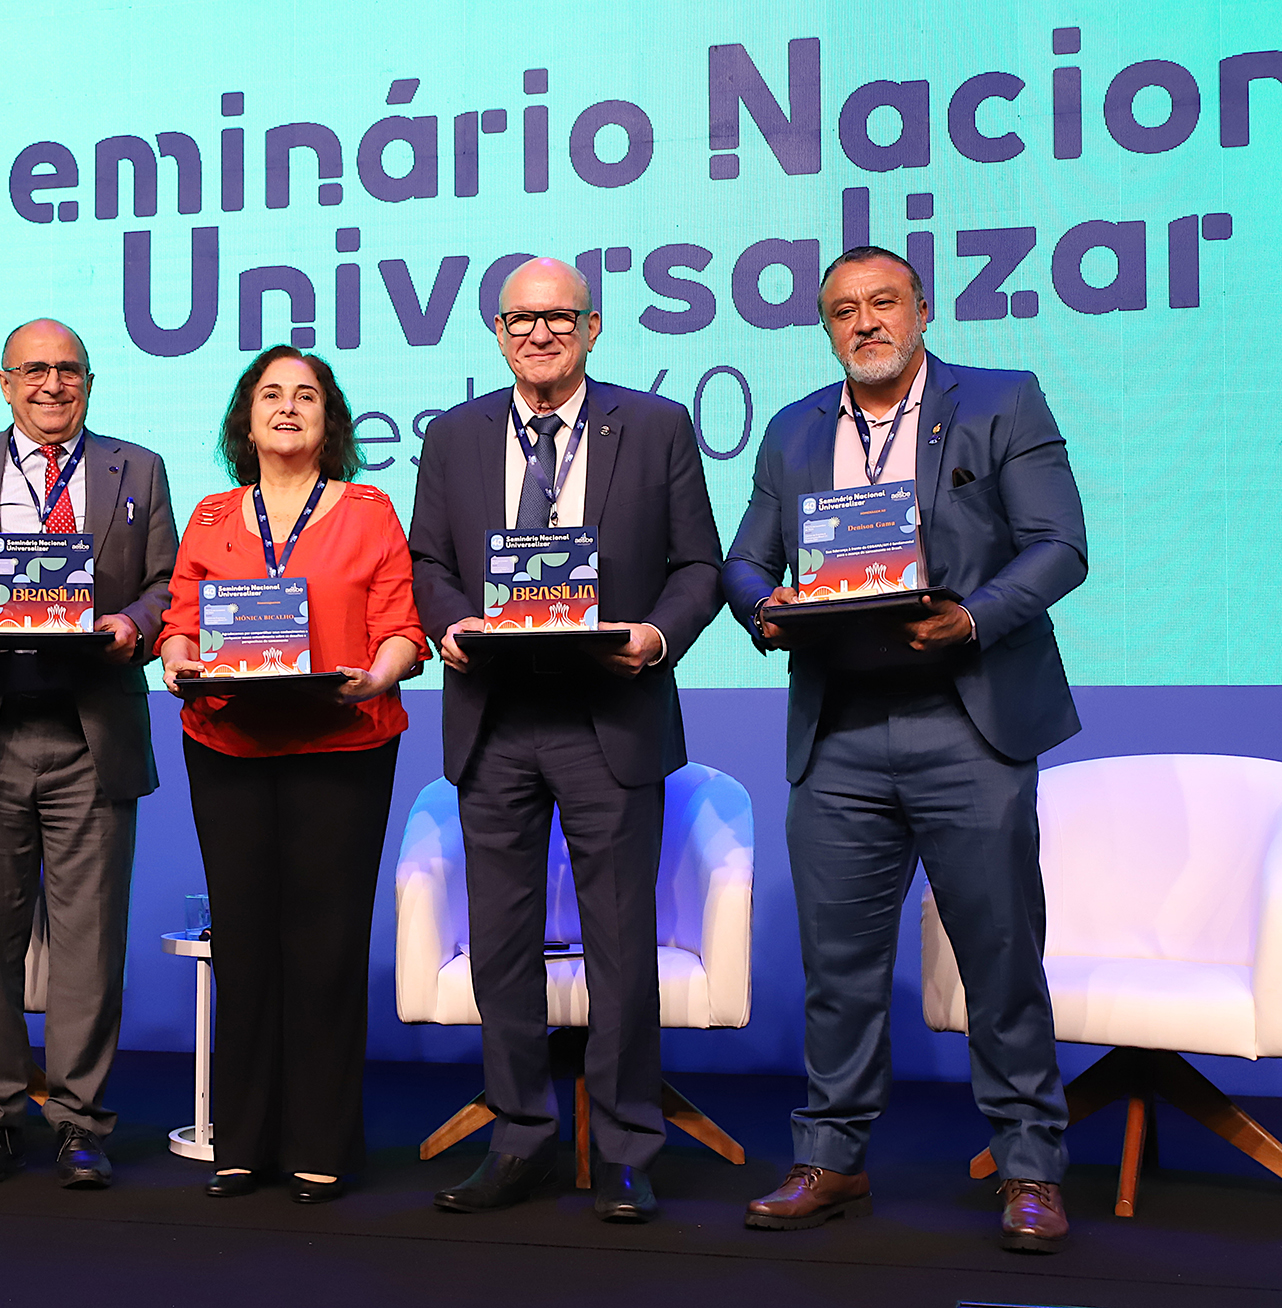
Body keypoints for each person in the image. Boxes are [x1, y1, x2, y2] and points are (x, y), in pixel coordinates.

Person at [723, 246, 1086, 1253]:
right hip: (839, 731)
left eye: (883, 302)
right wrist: (766, 610)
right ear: (826, 327)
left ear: (922, 310)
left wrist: (974, 618)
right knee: (837, 970)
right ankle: (830, 1160)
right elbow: (745, 560)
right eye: (843, 311)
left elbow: (1061, 543)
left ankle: (1029, 1168)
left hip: (968, 721)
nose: (865, 322)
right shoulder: (795, 429)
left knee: (1000, 958)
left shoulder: (1001, 400)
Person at [408, 258, 724, 1222]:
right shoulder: (455, 436)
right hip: (496, 719)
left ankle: (628, 1147)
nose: (540, 334)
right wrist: (451, 623)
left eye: (559, 318)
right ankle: (520, 1140)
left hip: (609, 716)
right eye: (521, 319)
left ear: (592, 327)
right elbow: (428, 558)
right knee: (501, 945)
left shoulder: (657, 425)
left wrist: (657, 636)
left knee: (619, 941)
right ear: (496, 332)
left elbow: (697, 563)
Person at [0, 318, 177, 1188]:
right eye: (35, 371)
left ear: (89, 382)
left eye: (69, 371)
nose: (52, 385)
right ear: (6, 382)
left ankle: (82, 1123)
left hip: (92, 732)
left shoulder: (140, 468)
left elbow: (172, 582)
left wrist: (134, 623)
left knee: (91, 945)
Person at [158, 345, 426, 1204]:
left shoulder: (371, 508)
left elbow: (400, 625)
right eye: (269, 394)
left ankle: (322, 1143)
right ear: (245, 418)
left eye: (305, 395)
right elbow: (179, 621)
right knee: (243, 941)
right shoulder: (207, 516)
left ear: (328, 419)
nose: (286, 407)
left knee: (326, 943)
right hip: (229, 742)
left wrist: (382, 673)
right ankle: (241, 1142)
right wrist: (176, 658)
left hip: (342, 743)